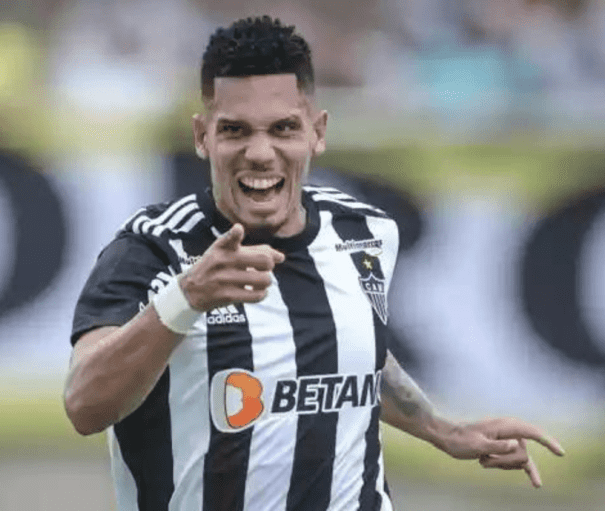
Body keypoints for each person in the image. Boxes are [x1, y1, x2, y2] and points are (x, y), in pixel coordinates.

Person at [64, 15, 565, 511]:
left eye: (283, 128)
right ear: (202, 137)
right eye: (235, 130)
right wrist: (185, 299)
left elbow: (353, 348)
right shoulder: (152, 249)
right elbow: (85, 406)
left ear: (317, 132)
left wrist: (443, 430)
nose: (260, 153)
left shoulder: (365, 232)